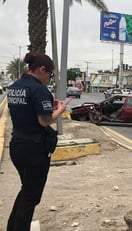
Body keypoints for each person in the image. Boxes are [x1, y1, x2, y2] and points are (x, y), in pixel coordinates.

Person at [7, 53, 67, 231]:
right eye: (49, 74)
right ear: (42, 70)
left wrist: (49, 105)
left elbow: (29, 110)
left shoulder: (15, 86)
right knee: (31, 196)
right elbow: (45, 120)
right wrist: (61, 110)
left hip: (17, 145)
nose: (48, 78)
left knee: (27, 191)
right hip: (34, 150)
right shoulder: (39, 90)